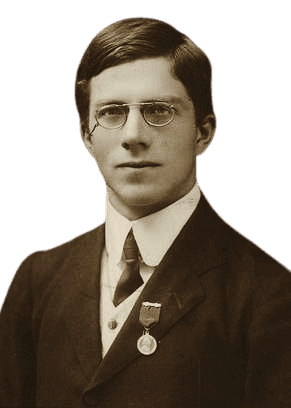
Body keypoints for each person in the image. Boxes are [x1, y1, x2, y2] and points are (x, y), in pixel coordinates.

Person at [1, 16, 291, 408]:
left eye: (158, 110)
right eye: (112, 112)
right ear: (87, 134)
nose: (133, 135)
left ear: (203, 133)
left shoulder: (269, 295)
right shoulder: (37, 280)